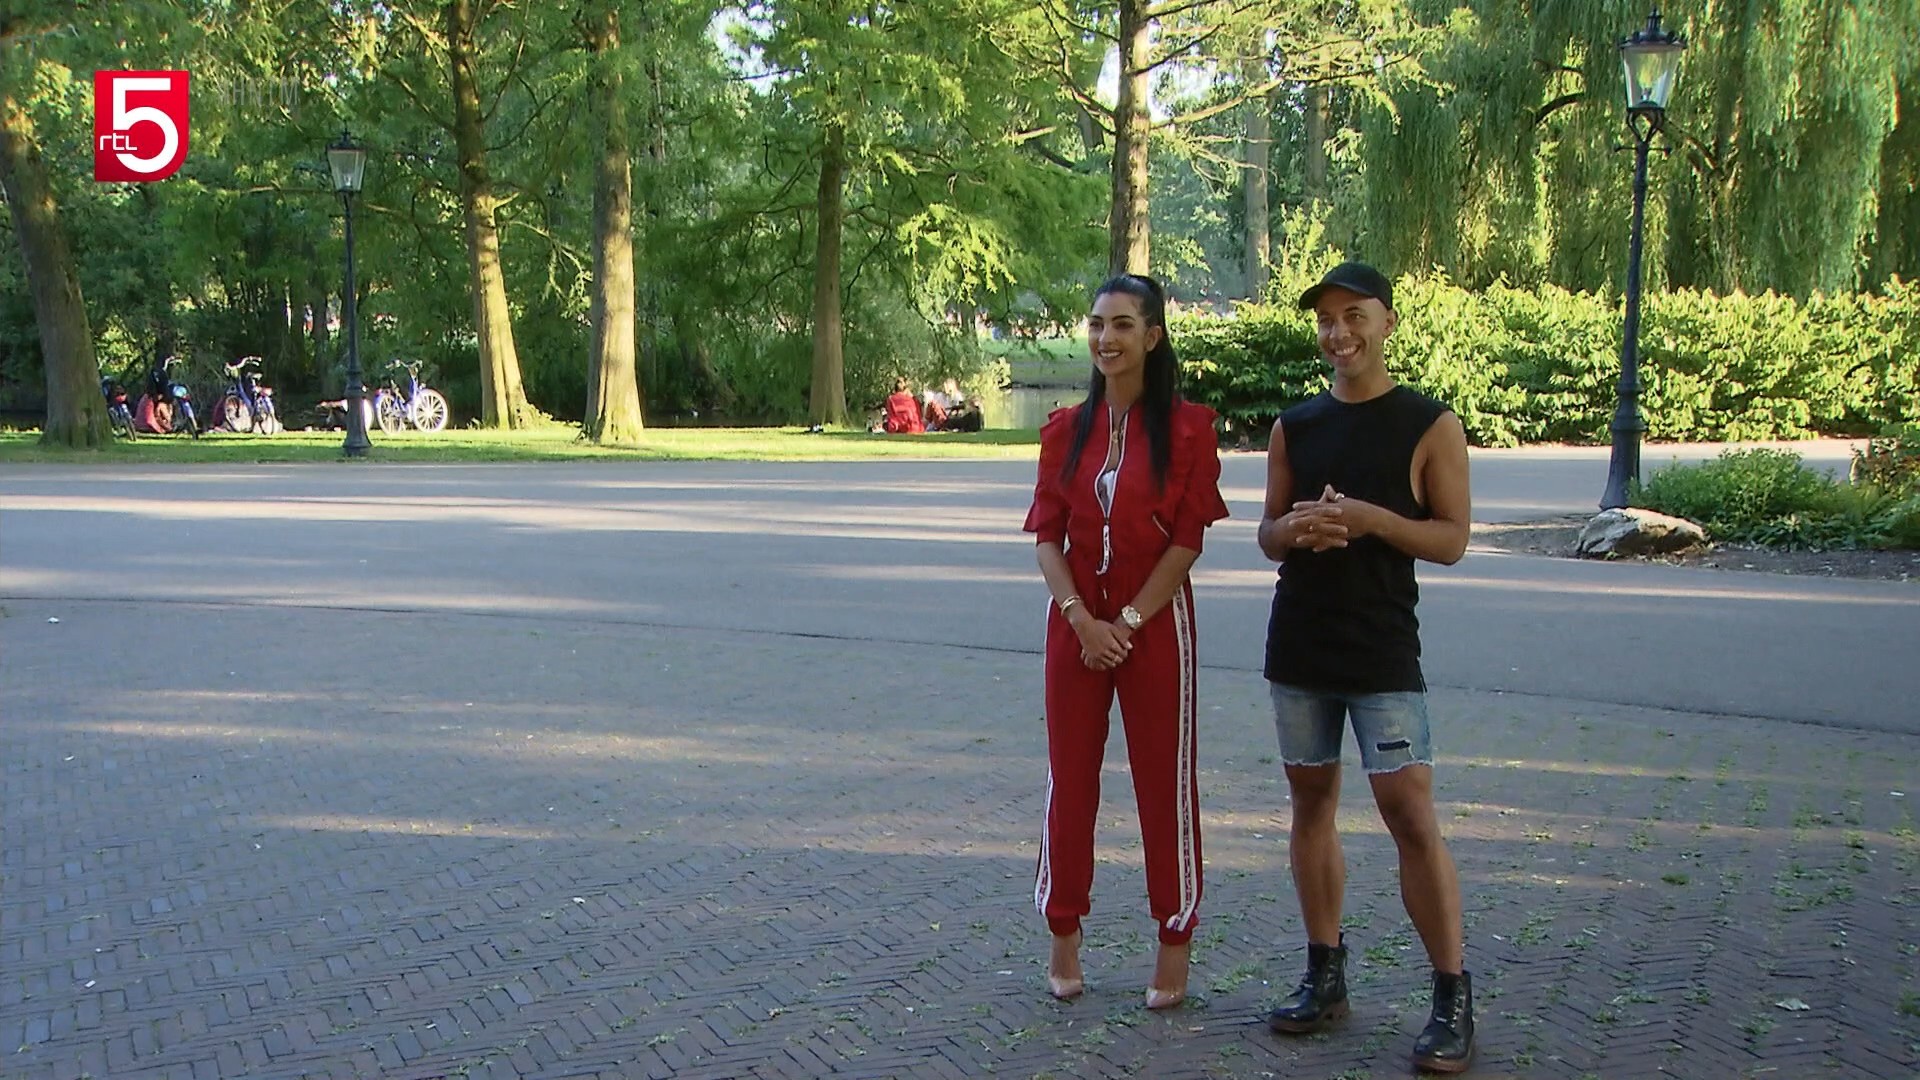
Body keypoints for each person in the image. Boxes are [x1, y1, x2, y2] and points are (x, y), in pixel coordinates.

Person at [1255, 262, 1475, 1072]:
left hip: (1382, 650)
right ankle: (1325, 973)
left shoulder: (1429, 423)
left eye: (1355, 316)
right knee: (1310, 805)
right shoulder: (1295, 426)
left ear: (1387, 322)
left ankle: (1451, 995)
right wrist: (1296, 531)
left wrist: (1375, 519)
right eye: (1326, 320)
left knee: (1409, 815)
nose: (1338, 333)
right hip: (1301, 645)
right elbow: (1267, 534)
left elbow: (1452, 540)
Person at [1024, 273, 1229, 1010]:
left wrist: (1129, 623)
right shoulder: (1062, 431)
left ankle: (1173, 940)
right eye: (1096, 324)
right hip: (1074, 626)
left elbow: (1187, 540)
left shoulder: (1189, 430)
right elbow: (1046, 538)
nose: (1105, 338)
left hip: (1157, 625)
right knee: (1070, 779)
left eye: (1121, 325)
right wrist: (1082, 620)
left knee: (1163, 782)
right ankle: (1063, 934)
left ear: (1153, 336)